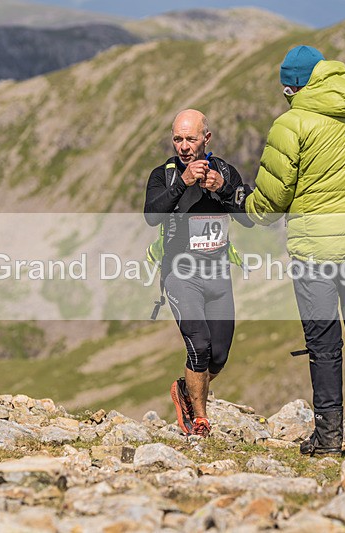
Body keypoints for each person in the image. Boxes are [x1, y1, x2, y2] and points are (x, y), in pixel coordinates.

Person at [245, 45, 345, 456]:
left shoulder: (292, 123)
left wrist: (245, 206)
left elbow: (272, 199)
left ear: (293, 86)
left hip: (316, 250)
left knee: (323, 343)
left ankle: (329, 439)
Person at [144, 109, 252, 438]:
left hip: (217, 274)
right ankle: (201, 421)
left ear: (207, 138)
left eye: (191, 138)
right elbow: (152, 215)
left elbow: (249, 216)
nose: (184, 146)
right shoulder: (164, 174)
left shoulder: (224, 171)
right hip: (180, 273)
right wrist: (184, 183)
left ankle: (185, 388)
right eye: (178, 139)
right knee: (199, 346)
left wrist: (222, 189)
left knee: (217, 356)